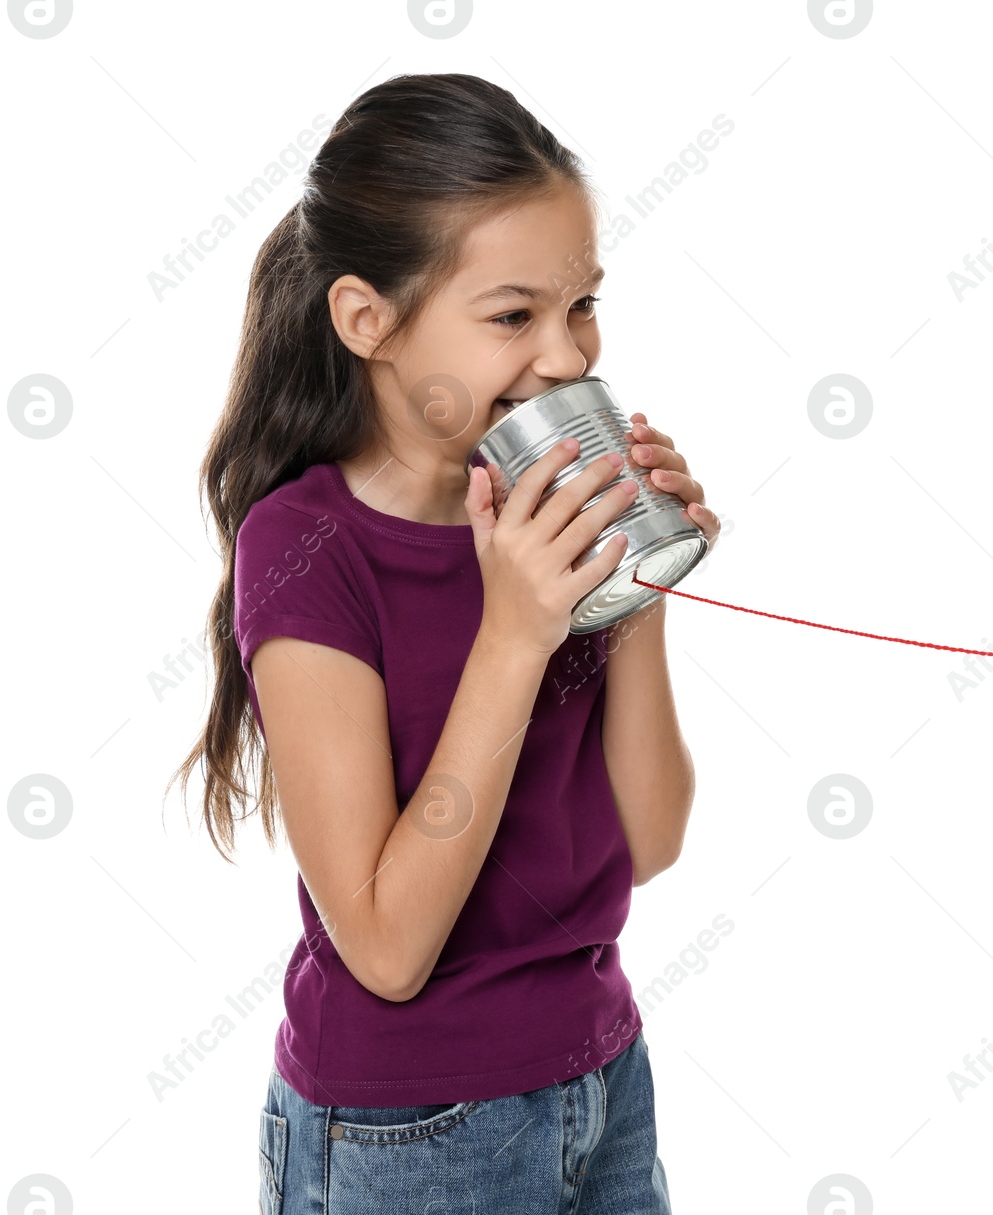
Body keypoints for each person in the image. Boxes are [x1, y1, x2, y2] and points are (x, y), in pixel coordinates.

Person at [167, 72, 721, 1214]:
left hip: (602, 1077)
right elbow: (384, 948)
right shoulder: (308, 551)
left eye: (581, 307)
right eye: (513, 316)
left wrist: (634, 588)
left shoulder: (528, 517)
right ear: (369, 321)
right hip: (411, 1129)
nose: (567, 357)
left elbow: (651, 839)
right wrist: (515, 637)